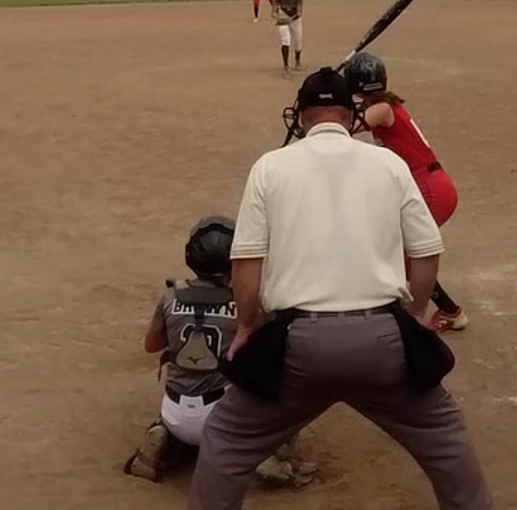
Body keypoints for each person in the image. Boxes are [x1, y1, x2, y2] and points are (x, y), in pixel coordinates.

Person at [186, 68, 493, 510]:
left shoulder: (270, 165)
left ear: (302, 116)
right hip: (383, 341)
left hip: (298, 346)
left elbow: (246, 263)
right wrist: (412, 316)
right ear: (351, 117)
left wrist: (248, 327)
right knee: (444, 437)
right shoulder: (389, 163)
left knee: (227, 439)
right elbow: (427, 251)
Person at [124, 216, 316, 488]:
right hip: (224, 417)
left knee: (184, 401)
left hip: (174, 412)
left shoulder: (170, 297)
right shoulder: (245, 304)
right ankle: (268, 452)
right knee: (277, 379)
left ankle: (164, 434)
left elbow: (151, 346)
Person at [346, 51, 468, 332]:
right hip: (430, 184)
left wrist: (331, 98)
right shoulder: (385, 104)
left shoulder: (382, 109)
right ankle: (439, 310)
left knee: (404, 254)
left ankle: (444, 312)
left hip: (430, 188)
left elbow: (347, 126)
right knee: (400, 251)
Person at [269, 0, 304, 74]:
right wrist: (279, 18)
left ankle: (297, 60)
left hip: (295, 20)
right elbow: (273, 12)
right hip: (283, 19)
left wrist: (290, 19)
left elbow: (299, 12)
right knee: (285, 40)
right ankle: (286, 65)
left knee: (298, 42)